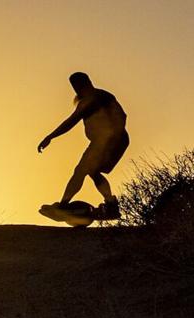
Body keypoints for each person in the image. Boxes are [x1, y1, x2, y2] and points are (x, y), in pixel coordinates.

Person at [38, 72, 128, 218]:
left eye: (77, 86)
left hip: (107, 141)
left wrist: (50, 136)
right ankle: (111, 205)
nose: (76, 90)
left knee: (81, 171)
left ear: (85, 83)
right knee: (93, 171)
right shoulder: (101, 96)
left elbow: (71, 121)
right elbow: (123, 116)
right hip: (111, 140)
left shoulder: (93, 99)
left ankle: (63, 205)